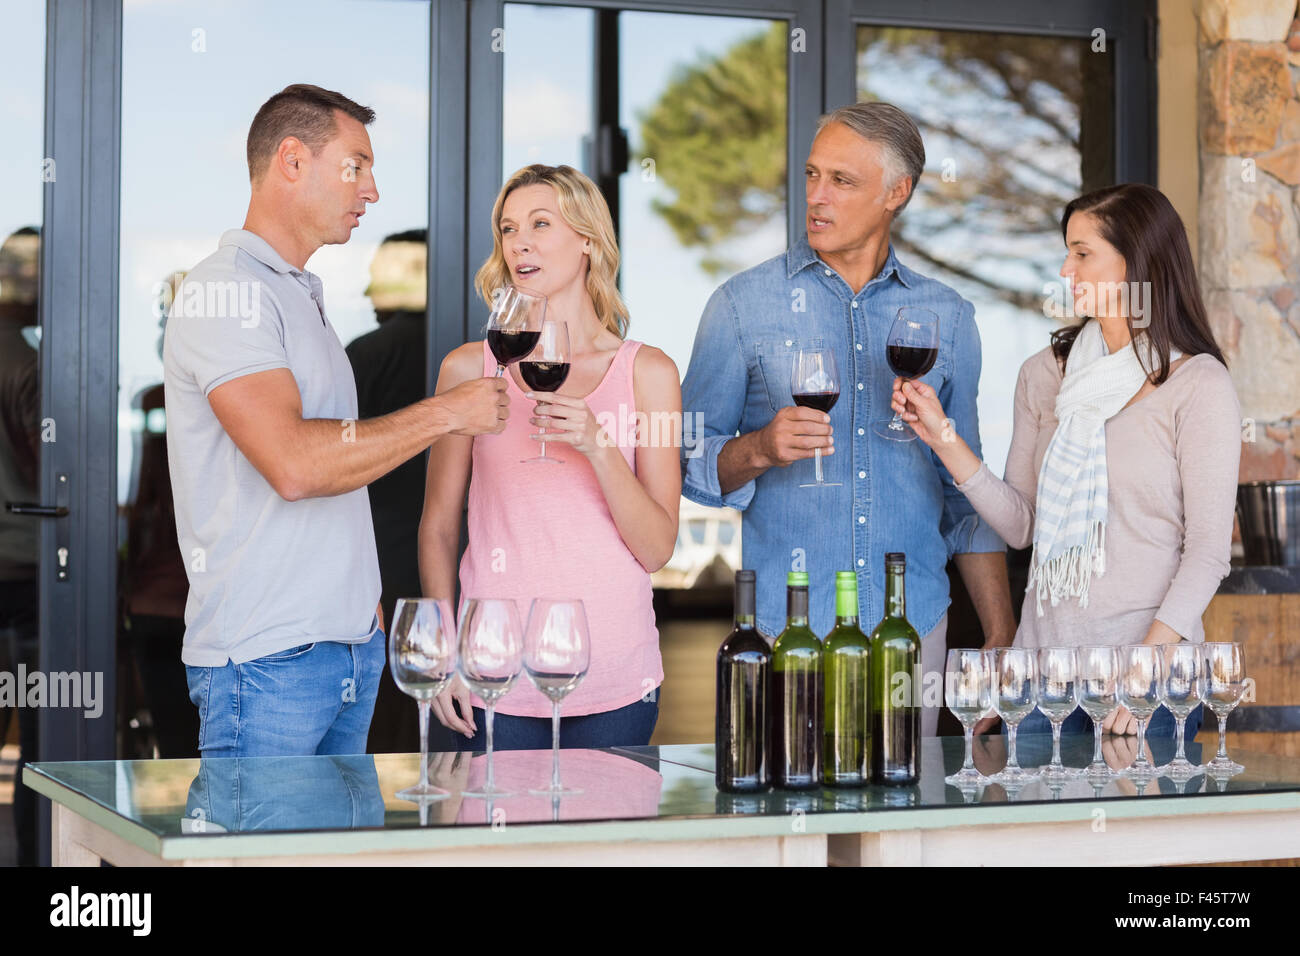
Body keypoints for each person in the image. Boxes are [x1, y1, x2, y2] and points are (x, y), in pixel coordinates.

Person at [163, 84, 507, 758]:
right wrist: (447, 412)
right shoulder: (226, 292)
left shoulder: (299, 293)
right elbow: (296, 465)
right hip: (266, 664)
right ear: (292, 161)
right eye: (356, 166)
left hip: (344, 651)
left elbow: (336, 471)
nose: (371, 190)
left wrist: (358, 608)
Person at [680, 103, 1016, 737]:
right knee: (792, 821)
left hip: (916, 630)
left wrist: (1000, 632)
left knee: (902, 814)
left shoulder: (948, 316)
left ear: (897, 192)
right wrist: (759, 448)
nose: (816, 196)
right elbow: (687, 459)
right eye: (811, 175)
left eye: (841, 180)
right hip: (788, 633)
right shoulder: (740, 306)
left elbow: (964, 490)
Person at [892, 183, 1239, 742]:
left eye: (1082, 253)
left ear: (1137, 262)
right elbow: (1022, 524)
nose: (1065, 267)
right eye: (1067, 251)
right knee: (1038, 829)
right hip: (1042, 677)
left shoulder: (1197, 384)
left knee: (1132, 828)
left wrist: (1144, 671)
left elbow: (1206, 553)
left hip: (1149, 679)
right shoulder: (1045, 374)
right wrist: (942, 437)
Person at [420, 164, 681, 749]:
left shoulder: (650, 374)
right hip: (488, 676)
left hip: (616, 679)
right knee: (487, 841)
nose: (520, 243)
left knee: (600, 843)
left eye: (541, 223)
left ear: (587, 239)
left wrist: (597, 445)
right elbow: (438, 524)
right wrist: (439, 653)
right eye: (509, 229)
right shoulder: (469, 369)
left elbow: (658, 548)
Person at [346, 229, 429, 753]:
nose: (366, 290)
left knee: (378, 746)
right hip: (464, 577)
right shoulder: (488, 358)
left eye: (380, 274)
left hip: (376, 582)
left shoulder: (365, 357)